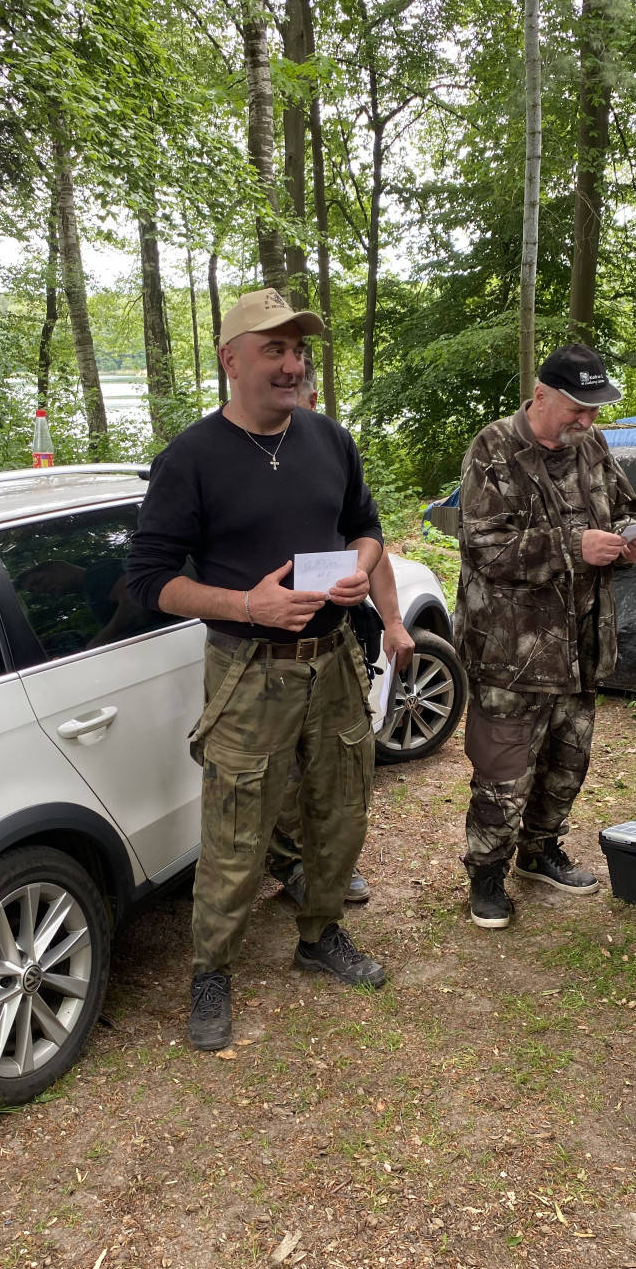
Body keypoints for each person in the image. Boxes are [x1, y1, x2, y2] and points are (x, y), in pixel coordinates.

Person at [126, 287, 387, 1052]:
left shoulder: (329, 439)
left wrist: (359, 568)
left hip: (333, 664)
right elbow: (148, 581)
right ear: (230, 360)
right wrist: (248, 604)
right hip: (248, 670)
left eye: (298, 350)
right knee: (237, 832)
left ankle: (320, 934)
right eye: (273, 349)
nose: (292, 365)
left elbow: (365, 526)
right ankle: (211, 972)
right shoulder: (190, 459)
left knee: (341, 812)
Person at [455, 343, 636, 929]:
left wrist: (631, 537)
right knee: (503, 769)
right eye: (577, 409)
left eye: (595, 411)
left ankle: (540, 851)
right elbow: (484, 548)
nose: (587, 421)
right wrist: (574, 546)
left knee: (568, 759)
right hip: (511, 650)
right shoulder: (493, 448)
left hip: (580, 643)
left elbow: (625, 504)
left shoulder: (591, 444)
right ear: (541, 396)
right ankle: (486, 874)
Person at [267, 357, 416, 907]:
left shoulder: (330, 454)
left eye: (308, 404)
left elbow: (368, 546)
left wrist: (394, 623)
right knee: (283, 772)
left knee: (339, 764)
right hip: (264, 655)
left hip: (336, 643)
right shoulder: (247, 464)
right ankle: (294, 865)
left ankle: (330, 864)